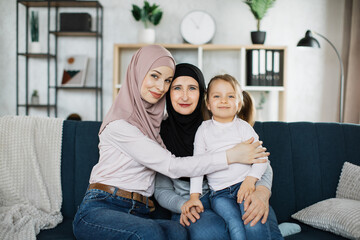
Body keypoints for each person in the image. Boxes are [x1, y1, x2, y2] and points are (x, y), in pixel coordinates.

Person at [72, 45, 268, 240]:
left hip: (141, 209)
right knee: (177, 232)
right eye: (155, 77)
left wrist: (261, 191)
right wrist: (230, 156)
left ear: (203, 94)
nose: (160, 87)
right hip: (106, 202)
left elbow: (259, 158)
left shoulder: (158, 124)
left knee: (178, 232)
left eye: (167, 81)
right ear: (137, 74)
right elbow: (170, 167)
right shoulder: (128, 127)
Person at [155, 65, 282, 240]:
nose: (184, 96)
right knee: (215, 234)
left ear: (202, 94)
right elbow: (161, 188)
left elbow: (261, 161)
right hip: (196, 203)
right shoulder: (160, 133)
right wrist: (184, 204)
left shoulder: (222, 120)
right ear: (168, 93)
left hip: (242, 189)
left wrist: (261, 191)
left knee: (257, 223)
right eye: (177, 88)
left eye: (192, 88)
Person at [183, 74, 271, 240]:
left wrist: (251, 180)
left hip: (244, 186)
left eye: (230, 96)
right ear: (208, 103)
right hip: (219, 194)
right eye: (217, 96)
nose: (224, 100)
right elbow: (198, 165)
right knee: (234, 223)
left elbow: (261, 158)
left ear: (238, 104)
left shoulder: (243, 128)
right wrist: (194, 196)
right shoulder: (204, 130)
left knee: (253, 221)